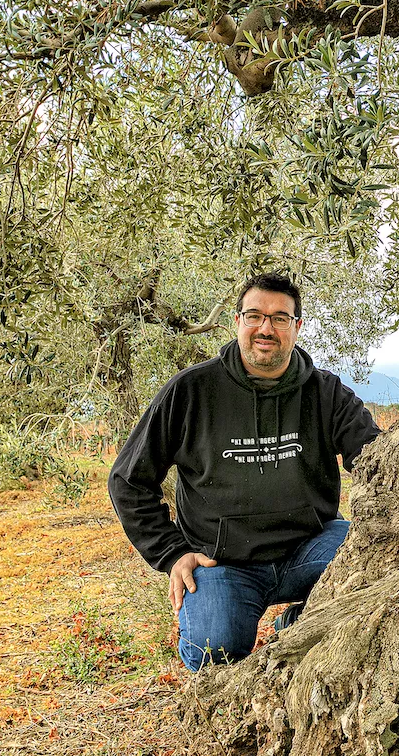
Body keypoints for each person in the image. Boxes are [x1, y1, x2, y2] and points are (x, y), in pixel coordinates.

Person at [108, 272, 379, 670]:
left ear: (297, 328)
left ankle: (299, 625)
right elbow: (128, 480)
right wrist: (172, 553)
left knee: (375, 558)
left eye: (280, 318)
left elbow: (381, 462)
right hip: (222, 563)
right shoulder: (190, 391)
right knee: (213, 651)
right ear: (237, 322)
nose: (265, 328)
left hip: (311, 548)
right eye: (254, 315)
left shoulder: (326, 393)